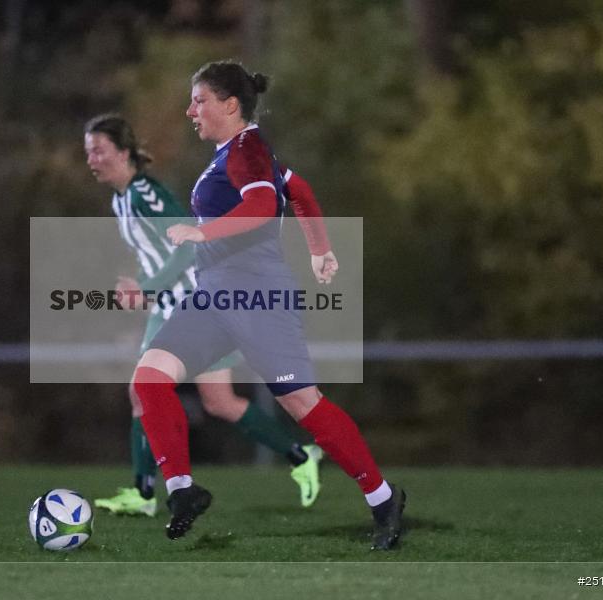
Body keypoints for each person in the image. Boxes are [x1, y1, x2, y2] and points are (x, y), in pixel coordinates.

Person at [131, 61, 406, 550]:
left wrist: (203, 230)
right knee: (149, 379)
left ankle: (384, 500)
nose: (190, 109)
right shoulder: (237, 153)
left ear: (229, 105)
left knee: (302, 404)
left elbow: (261, 207)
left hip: (258, 297)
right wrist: (320, 247)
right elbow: (295, 190)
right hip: (214, 296)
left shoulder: (247, 147)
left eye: (199, 100)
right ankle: (182, 491)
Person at [83, 113, 324, 518]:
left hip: (189, 301)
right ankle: (302, 455)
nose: (92, 158)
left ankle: (144, 493)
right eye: (88, 151)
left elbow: (186, 245)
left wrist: (149, 286)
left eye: (99, 150)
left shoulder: (145, 192)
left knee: (145, 392)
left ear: (123, 153)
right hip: (174, 302)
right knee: (220, 401)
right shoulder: (120, 199)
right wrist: (142, 285)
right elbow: (160, 252)